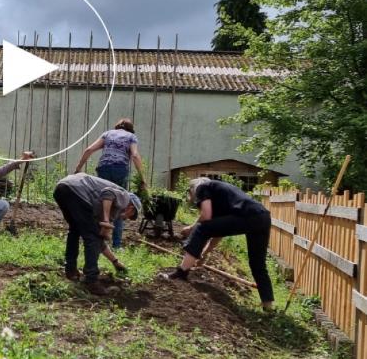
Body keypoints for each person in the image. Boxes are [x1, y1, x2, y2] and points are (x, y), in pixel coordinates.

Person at [167, 177, 274, 310]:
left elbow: (205, 217)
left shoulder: (201, 186)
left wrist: (191, 227)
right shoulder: (220, 196)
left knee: (201, 227)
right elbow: (219, 231)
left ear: (191, 189)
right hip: (262, 217)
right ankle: (268, 306)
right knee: (257, 263)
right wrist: (205, 253)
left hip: (248, 216)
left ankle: (182, 272)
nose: (196, 200)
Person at [53, 173, 142, 296]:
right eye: (131, 217)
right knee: (91, 237)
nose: (126, 219)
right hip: (77, 191)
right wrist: (105, 221)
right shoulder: (125, 198)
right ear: (131, 208)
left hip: (63, 187)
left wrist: (115, 262)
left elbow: (99, 241)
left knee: (75, 231)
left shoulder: (104, 206)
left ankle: (71, 270)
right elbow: (108, 193)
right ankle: (91, 281)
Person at [74, 118, 146, 249]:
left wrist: (78, 168)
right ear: (130, 129)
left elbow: (89, 149)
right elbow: (135, 155)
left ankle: (96, 239)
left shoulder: (107, 134)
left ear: (117, 127)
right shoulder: (131, 137)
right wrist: (143, 178)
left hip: (104, 168)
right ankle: (116, 245)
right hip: (120, 170)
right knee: (120, 204)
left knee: (102, 203)